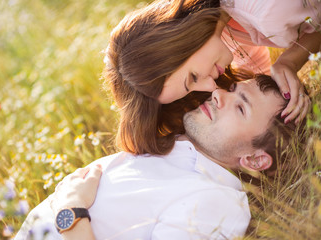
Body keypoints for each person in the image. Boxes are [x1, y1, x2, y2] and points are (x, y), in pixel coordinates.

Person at [15, 74, 301, 239]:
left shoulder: (217, 202)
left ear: (254, 160)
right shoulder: (173, 148)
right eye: (232, 89)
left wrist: (73, 209)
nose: (218, 93)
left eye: (241, 108)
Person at [104, 0, 321, 156]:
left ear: (179, 41)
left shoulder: (266, 11)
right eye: (192, 89)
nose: (211, 86)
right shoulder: (221, 30)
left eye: (193, 77)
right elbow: (256, 75)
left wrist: (291, 60)